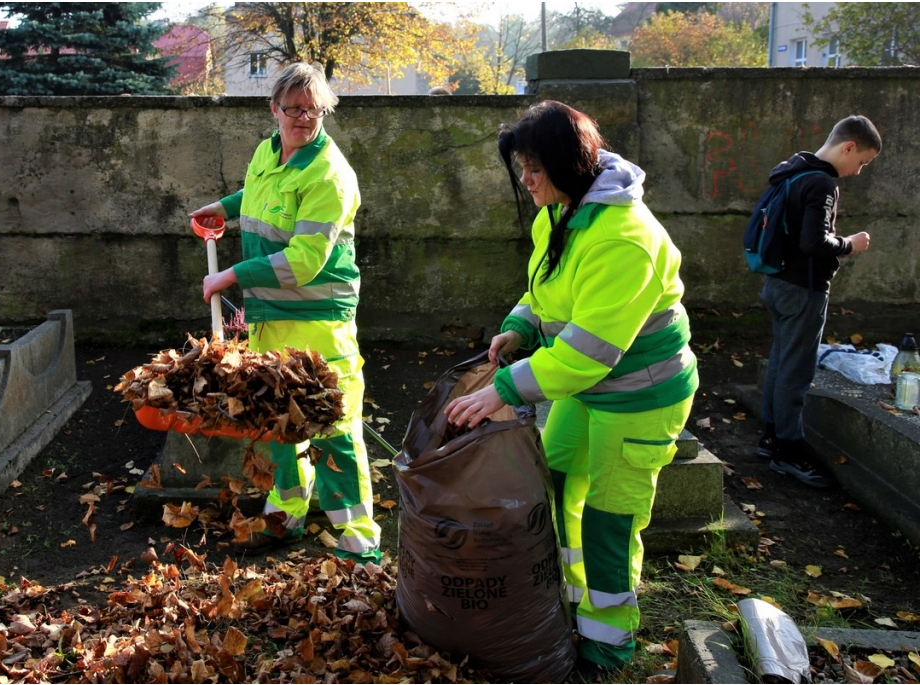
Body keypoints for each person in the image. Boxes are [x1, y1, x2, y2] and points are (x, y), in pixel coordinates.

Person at [445, 101, 698, 672]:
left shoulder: (623, 239)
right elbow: (546, 289)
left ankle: (609, 640)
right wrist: (520, 324)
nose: (526, 181)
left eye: (534, 168)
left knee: (610, 520)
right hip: (586, 392)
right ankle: (575, 602)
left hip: (639, 398)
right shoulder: (561, 212)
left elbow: (589, 352)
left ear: (566, 163)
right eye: (522, 169)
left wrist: (504, 389)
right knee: (554, 482)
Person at [189, 63, 382, 565]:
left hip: (319, 321)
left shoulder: (330, 176)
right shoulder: (266, 152)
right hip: (269, 317)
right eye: (293, 108)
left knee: (334, 427)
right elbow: (259, 197)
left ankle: (360, 540)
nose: (303, 118)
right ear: (274, 109)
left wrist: (230, 277)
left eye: (313, 109)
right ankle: (286, 514)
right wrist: (223, 209)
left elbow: (303, 260)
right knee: (277, 421)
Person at [754, 115, 881, 488]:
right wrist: (850, 245)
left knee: (781, 360)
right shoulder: (822, 183)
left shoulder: (790, 172)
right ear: (849, 147)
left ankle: (770, 438)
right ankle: (788, 451)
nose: (857, 172)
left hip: (776, 284)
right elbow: (814, 242)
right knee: (797, 371)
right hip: (802, 290)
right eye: (861, 162)